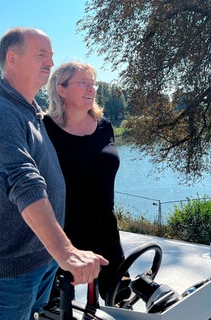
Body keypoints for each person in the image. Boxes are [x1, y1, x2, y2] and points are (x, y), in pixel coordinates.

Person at [0, 28, 108, 320]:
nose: (50, 63)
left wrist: (58, 253)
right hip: (13, 265)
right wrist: (66, 252)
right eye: (41, 55)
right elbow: (24, 183)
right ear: (13, 58)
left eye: (51, 56)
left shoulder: (29, 110)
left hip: (40, 258)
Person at [43, 61, 129, 303]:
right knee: (54, 308)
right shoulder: (44, 130)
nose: (92, 89)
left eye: (93, 84)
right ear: (61, 89)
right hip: (62, 237)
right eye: (83, 83)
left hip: (107, 232)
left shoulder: (105, 127)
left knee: (121, 302)